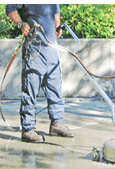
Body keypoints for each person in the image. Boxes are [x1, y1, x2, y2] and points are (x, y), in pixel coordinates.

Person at [7, 4, 75, 143]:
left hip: (51, 47)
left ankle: (56, 123)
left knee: (55, 87)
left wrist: (58, 26)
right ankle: (27, 129)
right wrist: (21, 24)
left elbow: (56, 11)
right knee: (30, 90)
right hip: (34, 49)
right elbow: (10, 7)